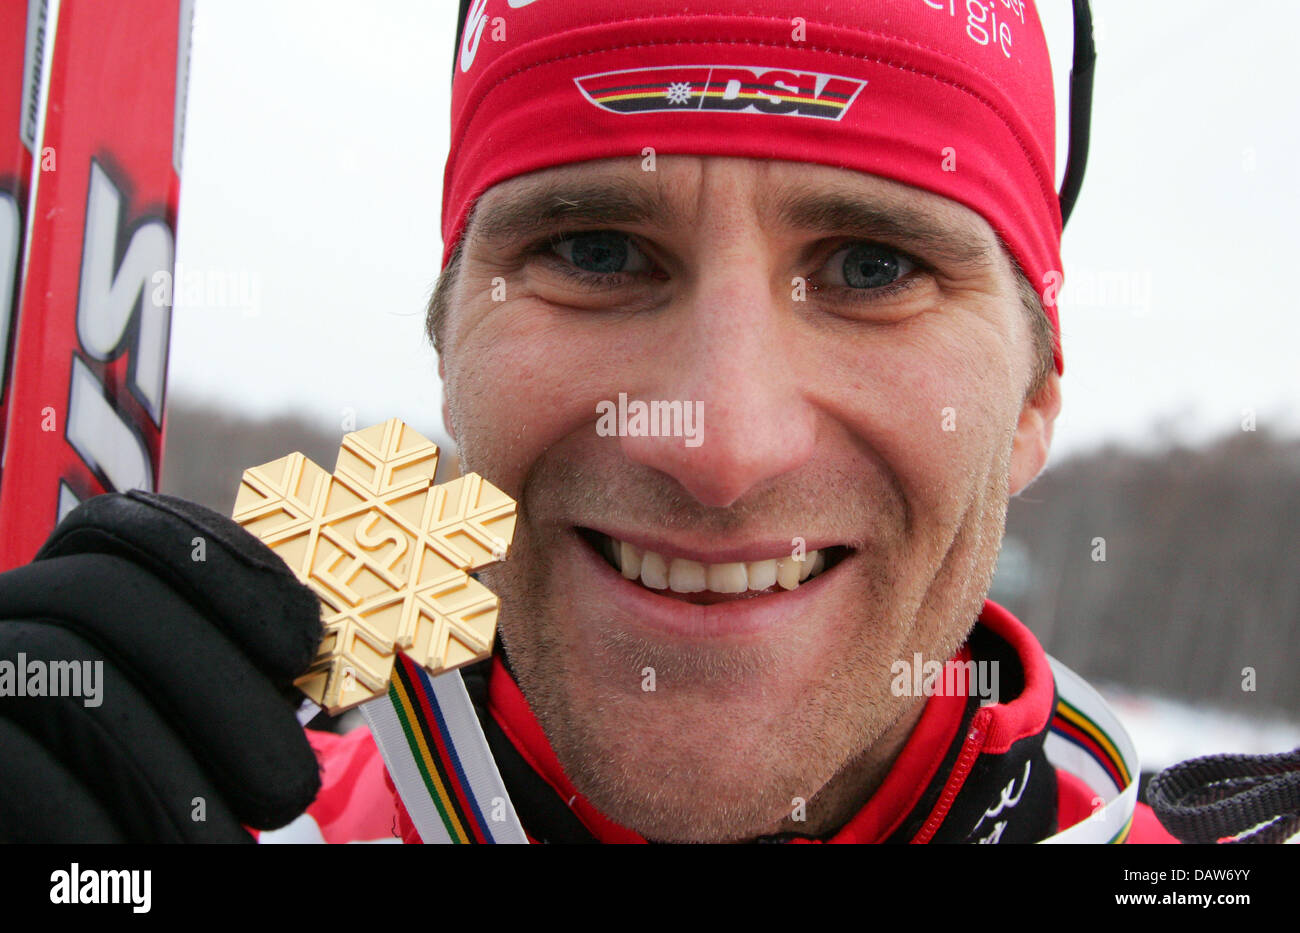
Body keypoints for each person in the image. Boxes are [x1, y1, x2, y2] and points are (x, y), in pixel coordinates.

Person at [0, 0, 1180, 843]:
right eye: (594, 251)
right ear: (448, 345)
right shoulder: (181, 820)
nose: (718, 445)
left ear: (1032, 402)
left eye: (872, 266)